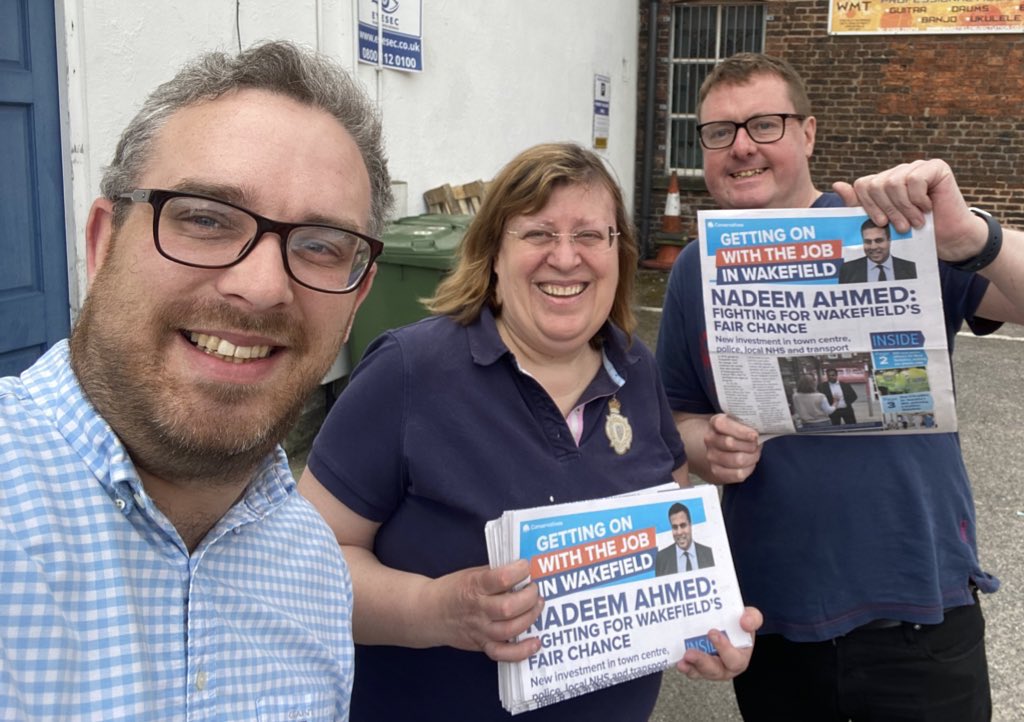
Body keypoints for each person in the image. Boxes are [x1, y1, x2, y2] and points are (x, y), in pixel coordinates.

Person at [298, 142, 762, 721]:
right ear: (493, 253)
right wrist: (435, 608)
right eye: (539, 234)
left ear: (619, 255)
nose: (565, 258)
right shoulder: (409, 372)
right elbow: (303, 565)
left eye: (591, 235)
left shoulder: (637, 371)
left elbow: (672, 539)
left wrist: (706, 630)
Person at [0, 40, 394, 720]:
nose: (264, 286)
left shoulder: (314, 570)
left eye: (322, 245)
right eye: (206, 219)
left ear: (357, 298)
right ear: (101, 243)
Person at [656, 51, 1024, 721]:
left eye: (765, 124)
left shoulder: (896, 235)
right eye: (719, 132)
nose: (742, 147)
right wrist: (707, 445)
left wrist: (972, 236)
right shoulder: (691, 273)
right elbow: (678, 422)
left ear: (809, 134)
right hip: (777, 623)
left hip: (919, 616)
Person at [839, 219, 917, 282]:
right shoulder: (847, 270)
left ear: (889, 240)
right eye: (868, 241)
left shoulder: (911, 268)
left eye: (879, 240)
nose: (873, 247)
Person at [655, 501, 715, 575]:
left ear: (690, 525)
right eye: (675, 527)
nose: (679, 532)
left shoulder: (710, 554)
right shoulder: (662, 558)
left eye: (683, 525)